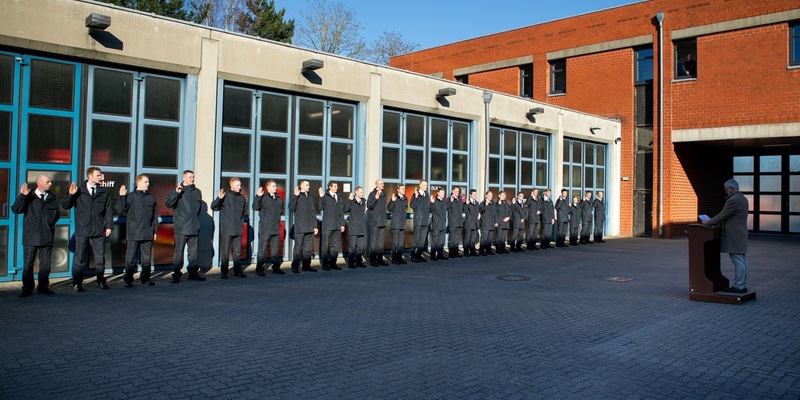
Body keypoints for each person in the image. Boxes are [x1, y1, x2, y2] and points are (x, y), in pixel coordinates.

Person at [63, 167, 113, 292]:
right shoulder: (79, 191)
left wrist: (109, 226)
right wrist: (70, 195)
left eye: (101, 175)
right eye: (98, 175)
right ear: (90, 176)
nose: (100, 177)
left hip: (98, 229)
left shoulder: (103, 192)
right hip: (83, 229)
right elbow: (65, 205)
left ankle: (101, 281)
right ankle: (77, 283)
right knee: (79, 257)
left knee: (100, 257)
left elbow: (108, 211)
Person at [11, 175, 60, 297]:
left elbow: (56, 215)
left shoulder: (52, 198)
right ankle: (27, 288)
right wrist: (22, 196)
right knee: (28, 264)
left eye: (50, 181)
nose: (50, 184)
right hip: (31, 236)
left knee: (45, 264)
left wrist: (48, 224)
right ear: (39, 183)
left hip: (47, 235)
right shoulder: (29, 197)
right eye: (47, 181)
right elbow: (16, 210)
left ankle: (43, 287)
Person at [702, 179, 750, 293]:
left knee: (737, 260)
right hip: (740, 233)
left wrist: (707, 222)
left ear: (732, 188)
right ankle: (742, 284)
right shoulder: (743, 199)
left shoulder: (733, 200)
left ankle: (739, 286)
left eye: (726, 189)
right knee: (741, 260)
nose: (725, 192)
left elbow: (722, 215)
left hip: (734, 235)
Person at [117, 174, 158, 287]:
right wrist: (121, 197)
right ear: (138, 183)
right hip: (134, 232)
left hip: (148, 232)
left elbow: (154, 216)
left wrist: (155, 231)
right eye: (146, 182)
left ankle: (145, 278)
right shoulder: (130, 197)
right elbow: (120, 210)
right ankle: (128, 279)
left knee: (146, 258)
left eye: (148, 182)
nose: (148, 184)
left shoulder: (151, 198)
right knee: (131, 257)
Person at [165, 170, 206, 283]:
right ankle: (176, 273)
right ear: (184, 178)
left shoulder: (197, 192)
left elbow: (197, 209)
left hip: (194, 226)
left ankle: (193, 273)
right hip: (182, 227)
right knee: (179, 252)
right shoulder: (179, 191)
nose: (192, 179)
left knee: (193, 253)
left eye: (193, 177)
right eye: (189, 177)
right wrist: (176, 193)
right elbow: (168, 203)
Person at [210, 177, 248, 279]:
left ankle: (237, 271)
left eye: (240, 185)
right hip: (227, 229)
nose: (240, 187)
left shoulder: (242, 198)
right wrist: (219, 199)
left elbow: (244, 211)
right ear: (231, 186)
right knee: (225, 252)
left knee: (237, 252)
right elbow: (214, 207)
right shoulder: (225, 196)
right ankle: (224, 272)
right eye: (237, 185)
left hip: (238, 228)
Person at [253, 180, 285, 276]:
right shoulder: (263, 198)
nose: (275, 188)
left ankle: (276, 267)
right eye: (273, 186)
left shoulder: (279, 199)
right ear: (268, 188)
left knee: (275, 250)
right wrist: (258, 196)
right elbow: (255, 207)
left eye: (275, 186)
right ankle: (259, 268)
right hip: (266, 228)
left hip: (276, 228)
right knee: (263, 250)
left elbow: (281, 211)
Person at [289, 180, 318, 273]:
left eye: (309, 185)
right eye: (307, 185)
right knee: (298, 248)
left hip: (310, 227)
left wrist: (315, 226)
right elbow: (291, 207)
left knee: (307, 248)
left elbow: (313, 213)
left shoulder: (310, 198)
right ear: (300, 186)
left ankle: (306, 265)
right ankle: (295, 266)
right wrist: (295, 196)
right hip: (300, 227)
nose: (309, 186)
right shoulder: (297, 197)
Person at [317, 182, 345, 271]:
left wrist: (342, 224)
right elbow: (320, 207)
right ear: (330, 187)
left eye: (337, 186)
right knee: (325, 245)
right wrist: (321, 197)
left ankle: (333, 263)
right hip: (328, 225)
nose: (337, 187)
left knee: (335, 245)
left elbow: (341, 212)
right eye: (335, 186)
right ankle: (325, 264)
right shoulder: (325, 196)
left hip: (337, 225)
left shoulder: (339, 197)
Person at [366, 179, 389, 266]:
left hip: (383, 221)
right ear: (376, 185)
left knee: (380, 242)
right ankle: (373, 260)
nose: (383, 185)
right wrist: (375, 199)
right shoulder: (372, 194)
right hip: (375, 222)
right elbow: (369, 206)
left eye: (383, 183)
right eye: (381, 183)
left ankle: (380, 259)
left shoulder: (384, 194)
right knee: (374, 242)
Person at [410, 180, 433, 263]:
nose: (425, 187)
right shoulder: (415, 195)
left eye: (426, 185)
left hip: (425, 221)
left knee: (422, 240)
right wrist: (416, 197)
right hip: (418, 220)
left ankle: (419, 255)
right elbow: (412, 205)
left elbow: (430, 208)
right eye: (424, 185)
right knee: (416, 240)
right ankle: (413, 256)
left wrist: (432, 203)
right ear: (420, 185)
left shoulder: (427, 196)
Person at [344, 186, 367, 268]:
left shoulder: (363, 201)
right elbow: (346, 209)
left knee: (360, 247)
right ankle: (351, 262)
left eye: (362, 192)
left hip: (361, 227)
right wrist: (349, 200)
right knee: (352, 246)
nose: (362, 193)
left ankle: (359, 262)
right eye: (361, 192)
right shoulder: (352, 201)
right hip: (354, 227)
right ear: (356, 192)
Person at [387, 184, 408, 264]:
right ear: (398, 190)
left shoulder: (405, 198)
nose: (403, 190)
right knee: (396, 243)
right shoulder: (394, 198)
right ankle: (394, 258)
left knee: (401, 243)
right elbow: (389, 209)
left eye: (404, 188)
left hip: (403, 223)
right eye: (402, 189)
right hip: (396, 223)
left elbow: (405, 208)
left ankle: (399, 257)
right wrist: (392, 201)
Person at [429, 187, 448, 261]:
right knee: (435, 241)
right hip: (436, 224)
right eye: (442, 193)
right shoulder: (434, 201)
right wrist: (432, 203)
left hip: (443, 224)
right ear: (438, 193)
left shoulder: (444, 202)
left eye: (444, 193)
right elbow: (430, 209)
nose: (443, 194)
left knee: (441, 241)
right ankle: (433, 256)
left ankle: (440, 254)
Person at [479, 191, 497, 256]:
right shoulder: (483, 203)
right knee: (484, 239)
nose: (491, 196)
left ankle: (488, 250)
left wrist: (496, 221)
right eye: (489, 195)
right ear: (486, 195)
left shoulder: (493, 203)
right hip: (485, 224)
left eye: (491, 195)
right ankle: (482, 250)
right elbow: (480, 210)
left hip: (491, 224)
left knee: (490, 239)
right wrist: (486, 205)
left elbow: (495, 213)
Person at [463, 189, 480, 257]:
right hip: (469, 223)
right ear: (470, 195)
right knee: (467, 238)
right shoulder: (467, 202)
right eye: (473, 194)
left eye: (475, 194)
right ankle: (466, 252)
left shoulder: (477, 203)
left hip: (475, 223)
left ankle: (472, 251)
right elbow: (464, 210)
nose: (474, 196)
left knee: (473, 239)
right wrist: (466, 204)